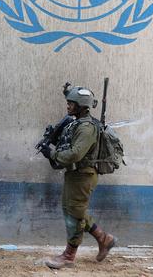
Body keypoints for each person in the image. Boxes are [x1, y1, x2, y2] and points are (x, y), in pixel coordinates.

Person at [38, 84, 117, 269]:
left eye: (71, 103)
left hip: (83, 175)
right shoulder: (77, 123)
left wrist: (53, 154)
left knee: (74, 214)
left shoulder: (87, 128)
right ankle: (104, 239)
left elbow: (75, 154)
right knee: (73, 210)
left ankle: (69, 256)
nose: (68, 106)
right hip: (75, 175)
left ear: (81, 106)